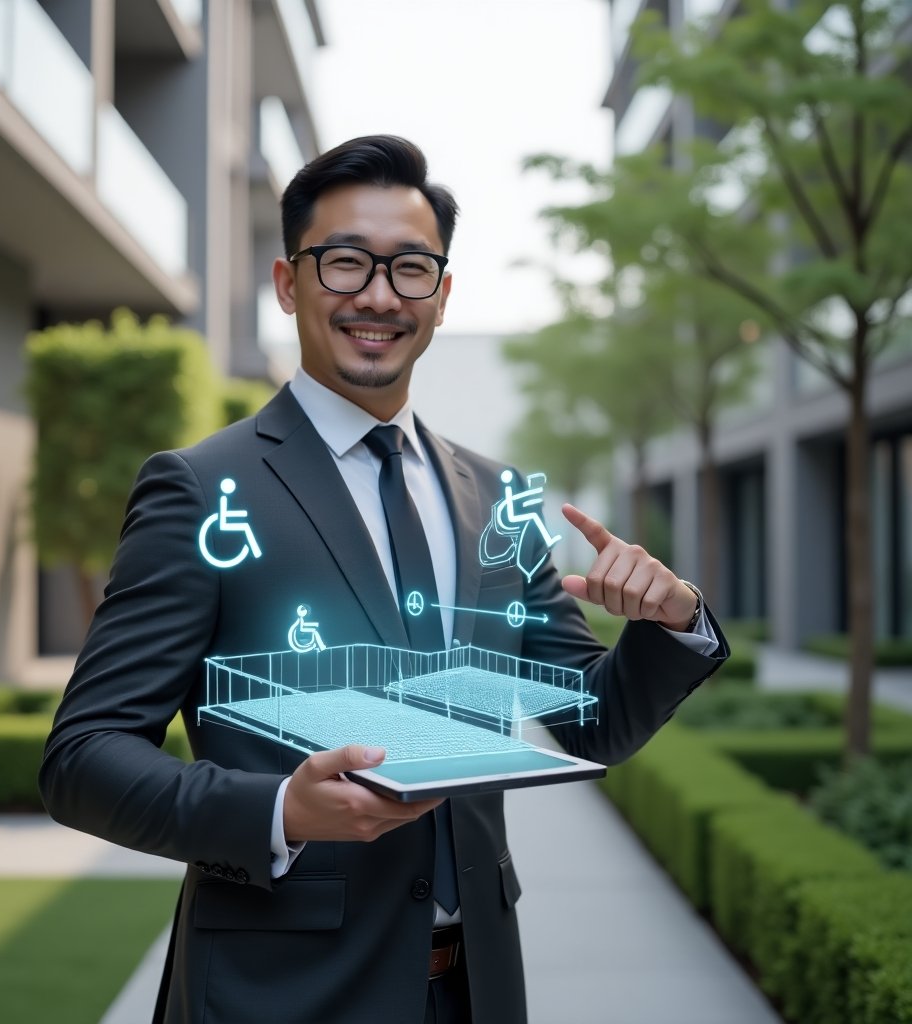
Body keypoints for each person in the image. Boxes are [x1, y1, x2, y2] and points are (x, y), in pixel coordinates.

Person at [39, 135, 728, 1024]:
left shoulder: (498, 498)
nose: (377, 294)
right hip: (279, 997)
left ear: (441, 298)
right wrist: (282, 809)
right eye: (344, 263)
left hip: (472, 986)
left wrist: (668, 625)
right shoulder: (203, 488)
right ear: (290, 284)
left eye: (410, 269)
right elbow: (82, 759)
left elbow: (584, 725)